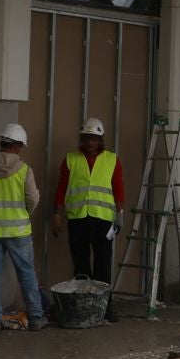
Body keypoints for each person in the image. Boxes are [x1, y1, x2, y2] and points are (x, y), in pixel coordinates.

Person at [0, 123, 48, 335]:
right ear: (18, 146)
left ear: (2, 142)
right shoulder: (24, 170)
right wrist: (25, 213)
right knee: (27, 274)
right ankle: (35, 317)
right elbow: (33, 198)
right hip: (18, 231)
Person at [53, 117, 123, 284]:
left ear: (101, 140)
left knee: (103, 264)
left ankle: (103, 307)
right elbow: (61, 189)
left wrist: (120, 214)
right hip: (78, 219)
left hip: (103, 221)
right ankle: (83, 305)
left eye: (94, 138)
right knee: (80, 264)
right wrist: (57, 214)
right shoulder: (70, 159)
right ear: (81, 139)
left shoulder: (112, 159)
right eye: (86, 138)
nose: (90, 142)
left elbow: (118, 189)